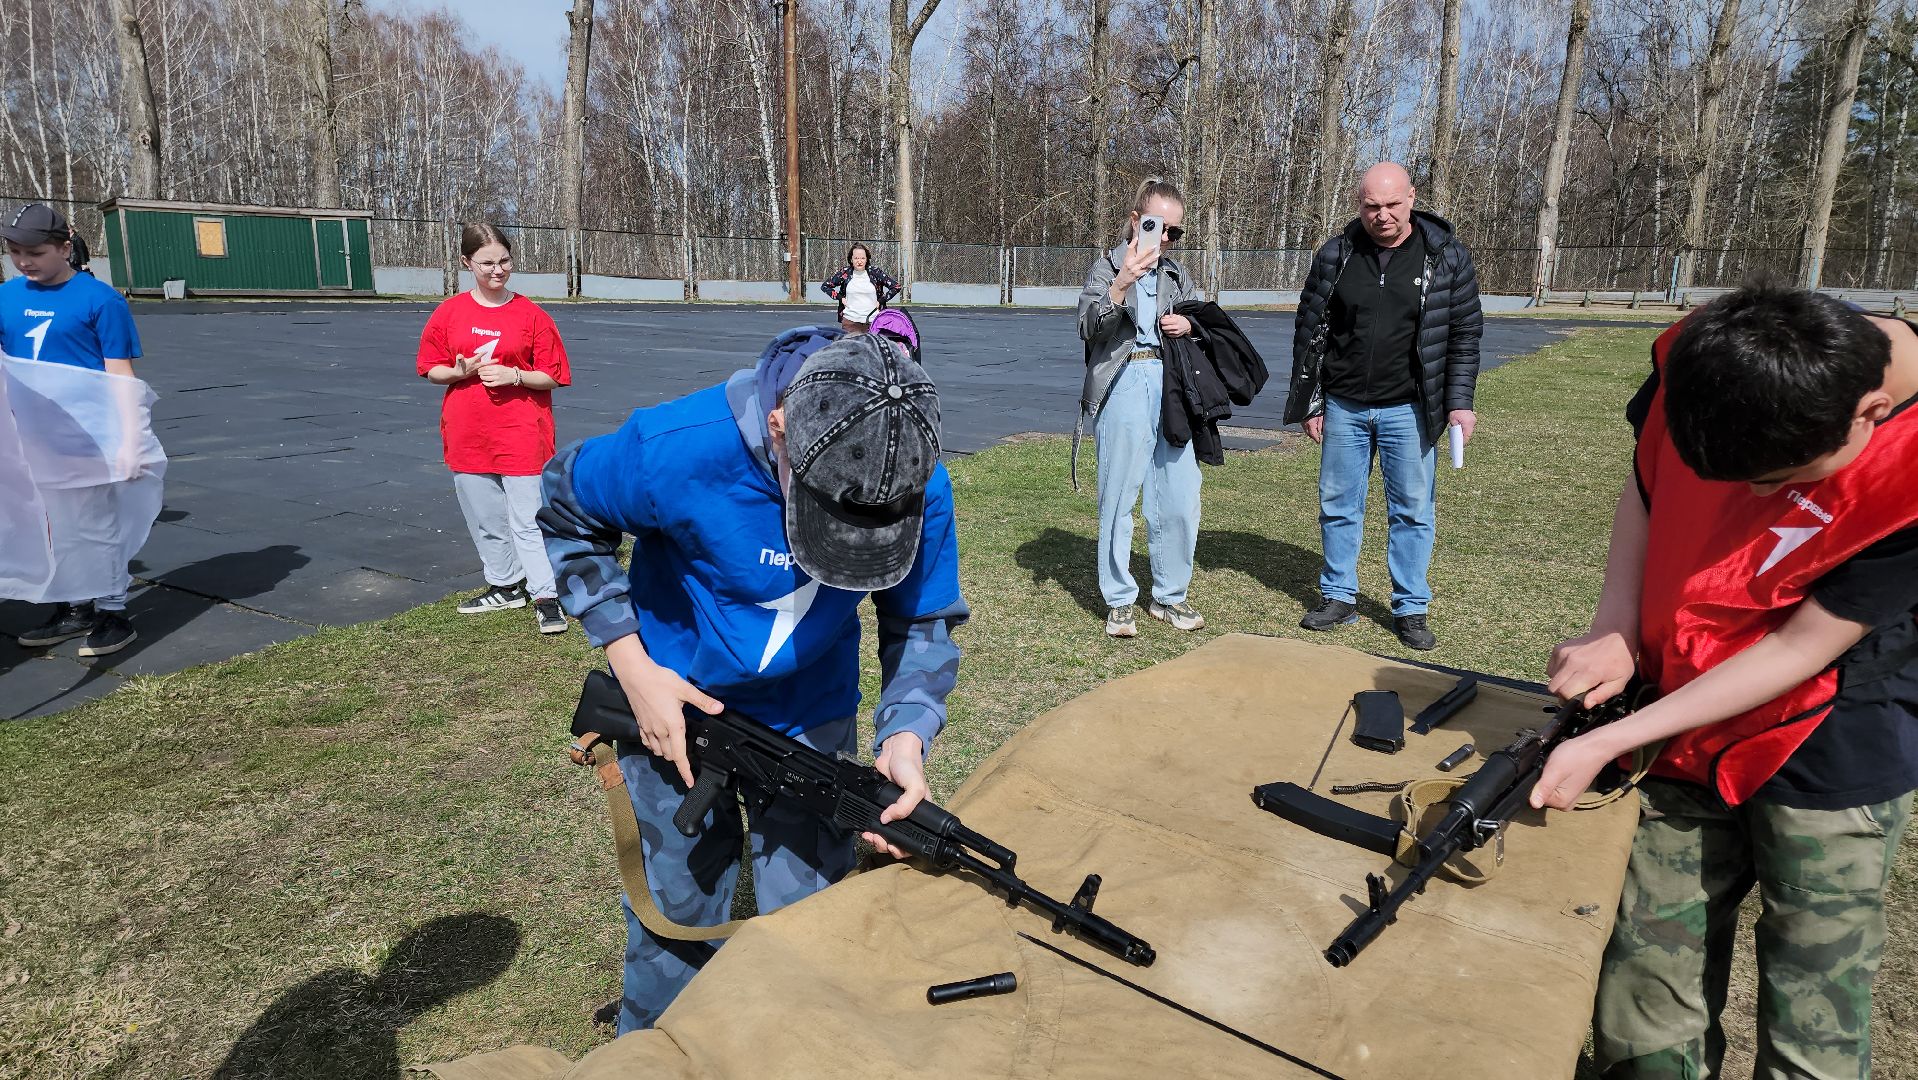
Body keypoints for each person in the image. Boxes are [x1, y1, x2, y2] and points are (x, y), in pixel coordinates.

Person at [1531, 284, 1918, 1079]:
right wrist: (1616, 624)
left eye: (1778, 479)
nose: (1752, 499)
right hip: (1677, 722)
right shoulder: (1706, 356)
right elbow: (1647, 483)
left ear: (1870, 414)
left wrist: (1619, 734)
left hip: (1829, 744)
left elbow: (1803, 647)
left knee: (1815, 1009)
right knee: (1644, 987)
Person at [539, 327, 966, 1033]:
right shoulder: (674, 446)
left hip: (811, 718)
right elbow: (565, 505)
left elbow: (922, 618)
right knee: (675, 919)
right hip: (669, 713)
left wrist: (908, 733)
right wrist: (632, 665)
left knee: (816, 928)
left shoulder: (913, 474)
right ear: (779, 429)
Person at [1285, 161, 1482, 651]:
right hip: (1344, 406)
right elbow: (1310, 332)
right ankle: (1339, 597)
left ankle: (1411, 607)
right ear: (1359, 204)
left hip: (1411, 410)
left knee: (1413, 510)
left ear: (1412, 198)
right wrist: (1312, 400)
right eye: (1372, 206)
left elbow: (1463, 337)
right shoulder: (1336, 255)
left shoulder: (1447, 257)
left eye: (1393, 204)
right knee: (1337, 506)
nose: (1383, 215)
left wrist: (1459, 403)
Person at [3, 203, 147, 656]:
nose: (23, 260)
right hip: (31, 436)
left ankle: (111, 612)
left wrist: (131, 440)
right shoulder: (6, 296)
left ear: (65, 248)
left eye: (34, 251)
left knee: (97, 525)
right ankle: (74, 607)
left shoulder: (100, 300)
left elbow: (119, 372)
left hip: (88, 435)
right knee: (52, 525)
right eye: (13, 250)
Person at [416, 223, 572, 634]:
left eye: (504, 261)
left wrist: (515, 377)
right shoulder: (449, 313)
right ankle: (505, 586)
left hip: (521, 431)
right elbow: (431, 368)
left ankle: (546, 595)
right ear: (467, 263)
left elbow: (553, 375)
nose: (497, 270)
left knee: (528, 518)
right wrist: (456, 371)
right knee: (485, 517)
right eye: (486, 263)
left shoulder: (532, 315)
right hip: (468, 432)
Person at [1076, 178, 1205, 639]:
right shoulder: (1107, 267)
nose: (1166, 239)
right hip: (1124, 379)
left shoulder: (1176, 275)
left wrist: (1189, 323)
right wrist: (1121, 283)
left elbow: (1206, 321)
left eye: (1176, 232)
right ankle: (1119, 599)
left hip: (1172, 384)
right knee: (1119, 494)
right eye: (1157, 226)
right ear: (1136, 221)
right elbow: (1088, 327)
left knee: (1179, 494)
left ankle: (1170, 595)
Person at [820, 243, 900, 333]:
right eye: (856, 258)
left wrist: (881, 301)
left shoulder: (875, 272)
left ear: (867, 259)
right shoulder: (845, 273)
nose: (859, 261)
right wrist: (840, 298)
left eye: (862, 258)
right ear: (851, 259)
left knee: (872, 347)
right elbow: (825, 286)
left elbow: (896, 287)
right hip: (850, 322)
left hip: (873, 322)